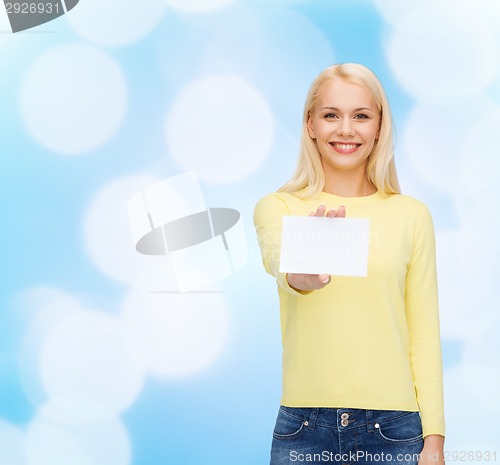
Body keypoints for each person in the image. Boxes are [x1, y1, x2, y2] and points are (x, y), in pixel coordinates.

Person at [254, 63, 445, 465]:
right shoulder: (279, 208)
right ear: (310, 125)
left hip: (395, 430)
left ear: (379, 126)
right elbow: (281, 265)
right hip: (304, 428)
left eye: (361, 116)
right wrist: (302, 275)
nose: (345, 129)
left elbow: (424, 333)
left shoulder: (411, 215)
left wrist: (434, 442)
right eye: (330, 115)